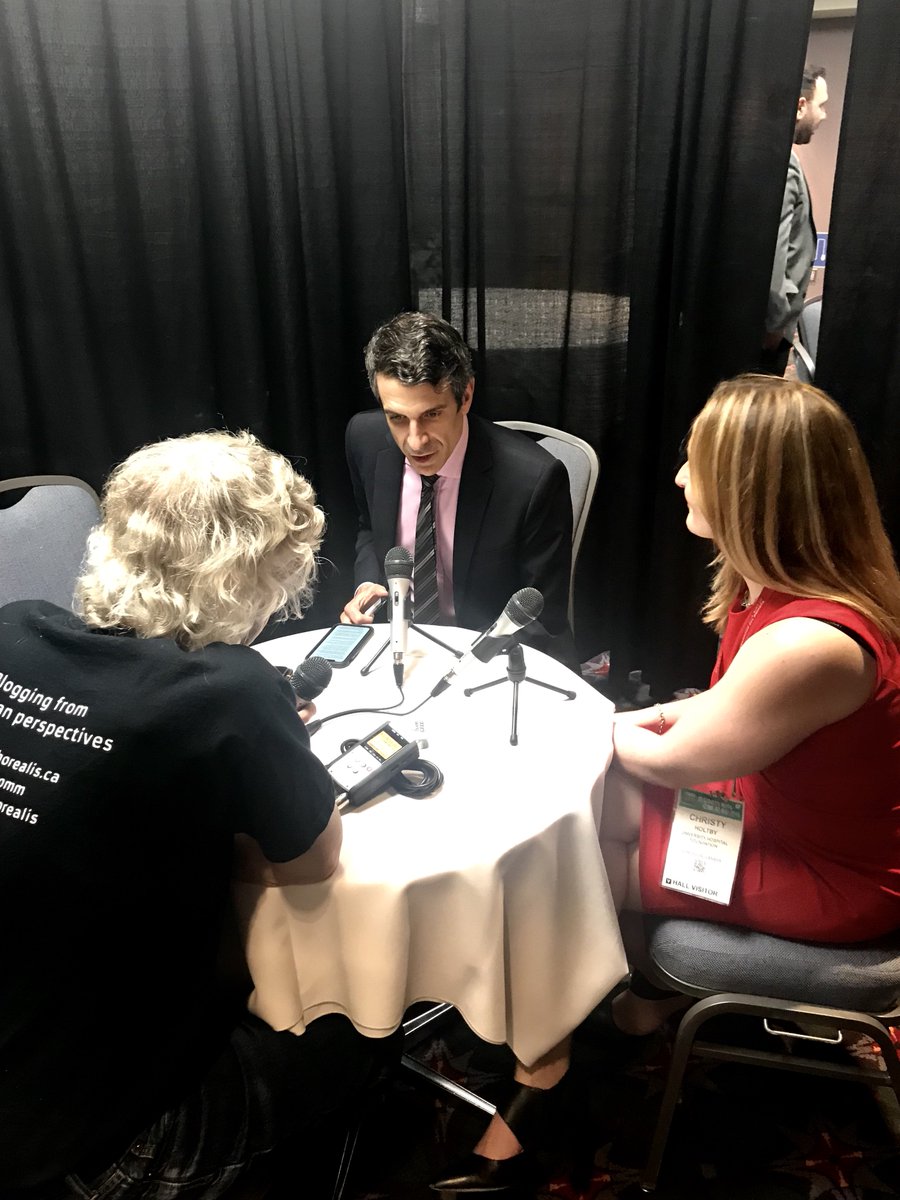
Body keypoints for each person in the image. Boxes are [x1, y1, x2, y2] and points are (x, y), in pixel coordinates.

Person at [0, 432, 391, 1198]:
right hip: (104, 1144)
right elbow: (311, 861)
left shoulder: (12, 627)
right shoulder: (234, 693)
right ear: (254, 576)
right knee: (365, 1024)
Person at [596, 375, 900, 1043]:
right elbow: (723, 711)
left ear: (750, 491)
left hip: (828, 876)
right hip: (775, 811)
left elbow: (675, 759)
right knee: (593, 800)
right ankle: (640, 991)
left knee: (581, 847)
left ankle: (573, 1029)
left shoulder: (810, 643)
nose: (679, 478)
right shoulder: (770, 584)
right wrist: (615, 733)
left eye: (696, 465)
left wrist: (594, 732)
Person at [341, 311, 576, 663]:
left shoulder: (533, 480)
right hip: (396, 648)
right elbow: (369, 529)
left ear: (465, 396)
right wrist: (368, 586)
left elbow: (540, 616)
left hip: (488, 658)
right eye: (397, 418)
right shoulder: (363, 438)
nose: (415, 441)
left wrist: (465, 667)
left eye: (431, 415)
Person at [760, 65, 828, 376]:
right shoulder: (782, 163)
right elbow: (775, 249)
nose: (823, 116)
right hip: (768, 334)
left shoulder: (774, 156)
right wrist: (775, 325)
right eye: (821, 105)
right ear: (801, 106)